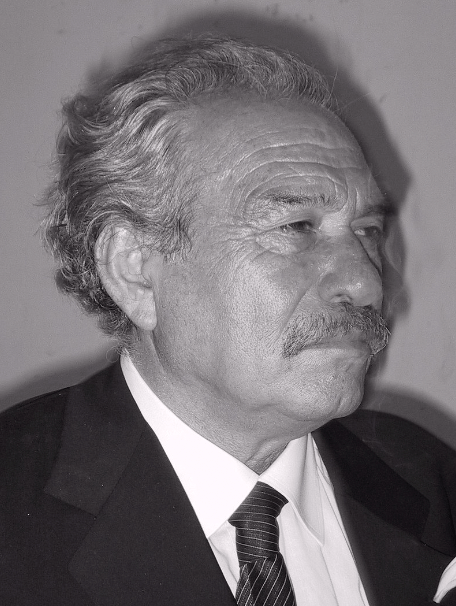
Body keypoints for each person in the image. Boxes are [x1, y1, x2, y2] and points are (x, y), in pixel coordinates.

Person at [1, 35, 455, 606]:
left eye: (367, 230)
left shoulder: (429, 480)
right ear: (135, 270)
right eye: (296, 227)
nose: (366, 283)